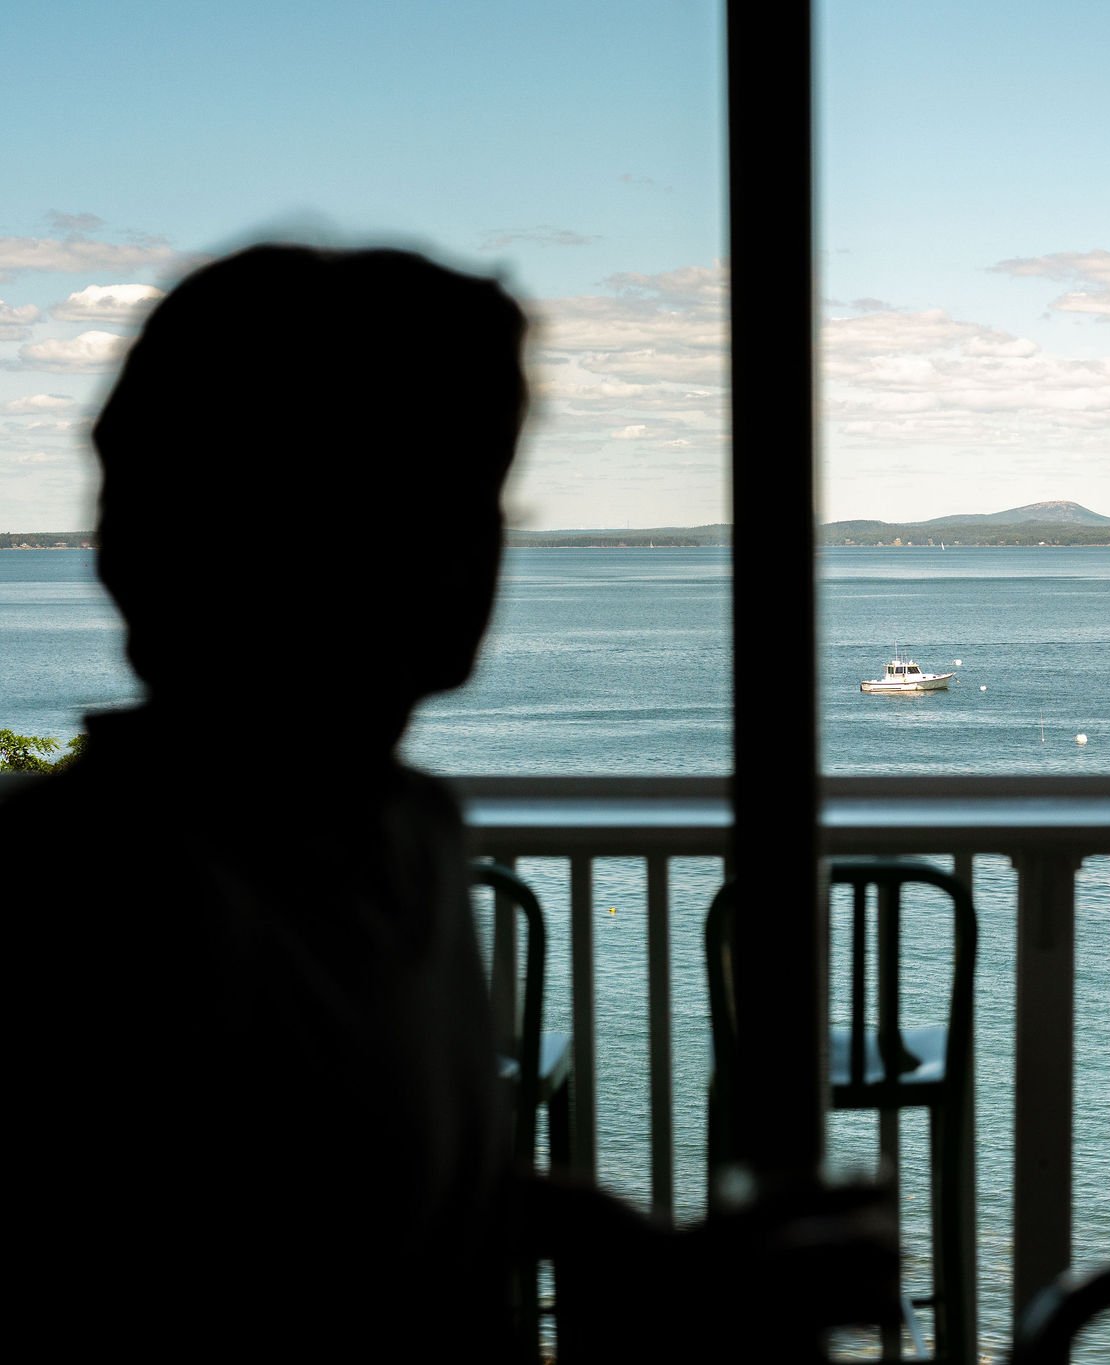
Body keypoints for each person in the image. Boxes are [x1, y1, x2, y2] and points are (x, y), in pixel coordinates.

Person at [1, 243, 889, 1363]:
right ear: (188, 539)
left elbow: (337, 1181)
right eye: (415, 498)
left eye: (486, 495)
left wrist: (579, 1224)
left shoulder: (406, 833)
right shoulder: (83, 903)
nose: (479, 549)